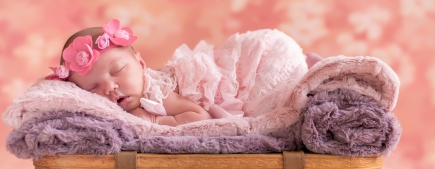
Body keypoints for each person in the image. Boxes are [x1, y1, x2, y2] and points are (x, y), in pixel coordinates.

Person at [48, 19, 308, 126]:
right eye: (92, 88)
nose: (109, 88)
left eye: (117, 71)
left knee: (273, 103)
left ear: (141, 64)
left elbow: (200, 115)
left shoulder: (157, 91)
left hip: (254, 63)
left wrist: (156, 122)